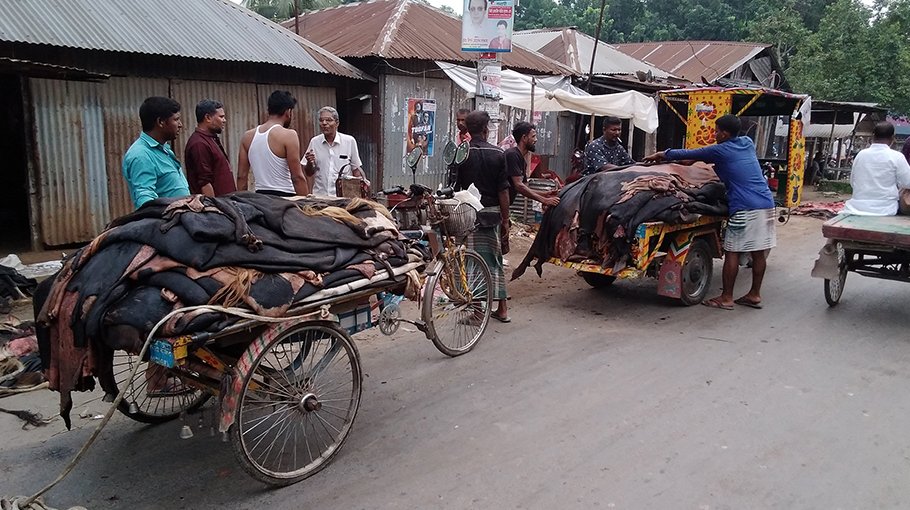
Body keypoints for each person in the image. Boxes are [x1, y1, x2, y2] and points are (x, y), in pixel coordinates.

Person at [645, 114, 775, 311]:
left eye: (716, 131)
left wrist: (662, 154)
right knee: (758, 253)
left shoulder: (720, 150)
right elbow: (693, 158)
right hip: (766, 204)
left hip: (744, 207)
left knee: (732, 251)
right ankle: (754, 295)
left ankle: (726, 298)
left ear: (724, 133)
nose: (715, 134)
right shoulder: (747, 142)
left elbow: (687, 154)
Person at [453, 110, 511, 323]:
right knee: (493, 261)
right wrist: (506, 220)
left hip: (467, 214)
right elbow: (503, 191)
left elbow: (454, 187)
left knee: (469, 262)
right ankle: (502, 309)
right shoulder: (498, 154)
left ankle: (478, 311)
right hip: (492, 215)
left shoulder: (461, 153)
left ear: (467, 129)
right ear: (486, 130)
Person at [236, 90, 309, 197]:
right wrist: (306, 205)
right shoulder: (289, 135)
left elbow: (241, 177)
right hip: (286, 199)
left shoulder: (247, 136)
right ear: (288, 112)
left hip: (261, 198)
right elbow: (297, 177)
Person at [122, 96, 190, 208]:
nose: (180, 124)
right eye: (176, 119)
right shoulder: (141, 155)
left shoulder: (164, 149)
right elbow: (145, 199)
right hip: (165, 222)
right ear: (160, 122)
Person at [842, 122, 910, 216]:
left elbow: (853, 182)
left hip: (856, 206)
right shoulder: (897, 157)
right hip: (886, 209)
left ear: (873, 136)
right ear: (892, 138)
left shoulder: (861, 155)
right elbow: (907, 182)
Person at [303, 106, 366, 197]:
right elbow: (309, 173)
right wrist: (309, 162)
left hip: (343, 197)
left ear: (337, 123)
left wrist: (360, 196)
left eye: (328, 120)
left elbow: (356, 170)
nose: (324, 123)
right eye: (321, 120)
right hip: (321, 196)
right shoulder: (314, 142)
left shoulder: (349, 141)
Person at [184, 99, 235, 197]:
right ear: (207, 118)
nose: (224, 120)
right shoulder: (199, 143)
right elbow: (204, 182)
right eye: (221, 117)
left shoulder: (210, 138)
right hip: (218, 206)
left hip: (226, 203)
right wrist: (213, 208)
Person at [504, 121, 560, 209]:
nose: (536, 140)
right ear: (524, 138)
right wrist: (544, 200)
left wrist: (545, 194)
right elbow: (519, 186)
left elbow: (525, 188)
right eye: (533, 136)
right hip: (496, 207)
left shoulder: (522, 160)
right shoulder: (512, 155)